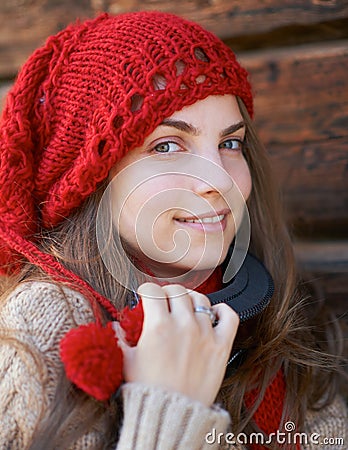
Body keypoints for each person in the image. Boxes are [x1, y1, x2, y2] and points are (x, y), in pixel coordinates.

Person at [0, 10, 346, 450]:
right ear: (91, 179)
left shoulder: (276, 318)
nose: (219, 180)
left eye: (230, 143)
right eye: (167, 146)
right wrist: (167, 412)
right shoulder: (45, 326)